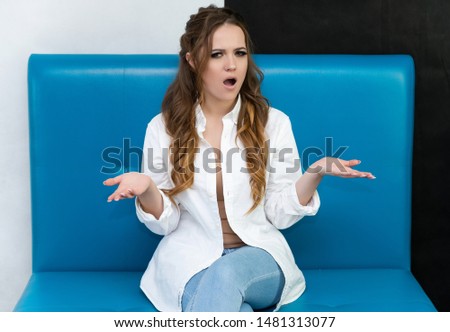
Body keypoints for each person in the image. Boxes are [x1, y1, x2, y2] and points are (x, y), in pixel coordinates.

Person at [103, 5, 375, 312]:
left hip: (258, 258)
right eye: (217, 54)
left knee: (227, 273)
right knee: (237, 311)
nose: (232, 65)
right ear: (193, 61)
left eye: (240, 53)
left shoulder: (274, 123)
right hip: (191, 262)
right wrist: (147, 189)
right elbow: (166, 223)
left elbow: (280, 215)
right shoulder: (163, 128)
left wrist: (315, 172)